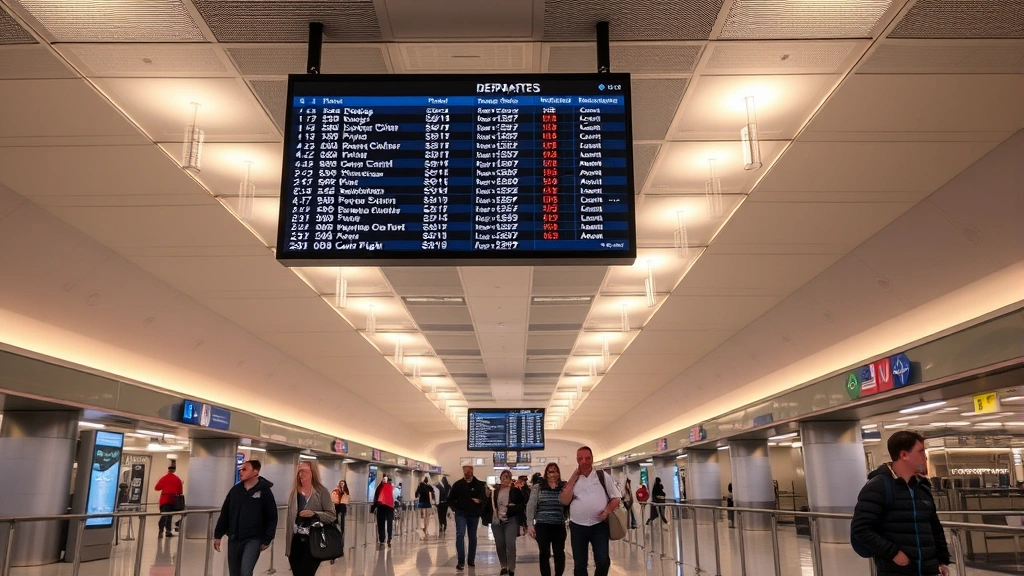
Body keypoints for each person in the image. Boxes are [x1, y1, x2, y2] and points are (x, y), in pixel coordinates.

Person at [851, 430, 951, 576]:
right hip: (896, 570)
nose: (925, 456)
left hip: (928, 568)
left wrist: (941, 560)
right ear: (904, 455)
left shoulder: (922, 486)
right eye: (921, 451)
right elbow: (861, 528)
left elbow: (934, 526)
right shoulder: (878, 486)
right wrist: (894, 554)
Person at [559, 446, 620, 576]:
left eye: (587, 458)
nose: (584, 461)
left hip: (599, 526)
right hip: (577, 526)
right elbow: (564, 500)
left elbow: (616, 498)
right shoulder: (573, 480)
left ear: (592, 459)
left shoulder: (602, 476)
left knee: (603, 560)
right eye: (580, 458)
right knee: (580, 565)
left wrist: (607, 511)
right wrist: (574, 476)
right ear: (577, 460)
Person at [213, 460, 278, 576]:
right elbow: (225, 513)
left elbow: (272, 516)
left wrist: (267, 538)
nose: (240, 472)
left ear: (255, 472)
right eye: (240, 469)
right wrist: (218, 535)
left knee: (246, 572)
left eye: (244, 469)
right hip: (234, 538)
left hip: (253, 539)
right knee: (234, 572)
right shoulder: (235, 491)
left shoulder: (265, 492)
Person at [285, 461, 336, 576]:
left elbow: (332, 515)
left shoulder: (322, 492)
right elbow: (290, 519)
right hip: (296, 541)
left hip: (313, 541)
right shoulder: (294, 493)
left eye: (305, 472)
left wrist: (314, 514)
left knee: (307, 572)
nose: (301, 475)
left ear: (313, 473)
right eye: (299, 472)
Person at [527, 462, 568, 576]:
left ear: (559, 473)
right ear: (546, 473)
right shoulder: (538, 487)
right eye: (550, 471)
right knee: (544, 553)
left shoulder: (564, 486)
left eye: (555, 471)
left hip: (558, 525)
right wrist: (530, 524)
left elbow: (569, 502)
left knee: (559, 553)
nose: (553, 474)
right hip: (542, 525)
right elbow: (531, 506)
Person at [448, 465, 487, 571]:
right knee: (460, 534)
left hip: (473, 514)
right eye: (465, 471)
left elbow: (484, 499)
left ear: (472, 471)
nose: (467, 473)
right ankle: (461, 561)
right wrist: (455, 508)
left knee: (472, 536)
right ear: (463, 472)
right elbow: (450, 499)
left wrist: (479, 501)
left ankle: (471, 559)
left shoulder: (479, 485)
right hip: (461, 513)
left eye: (469, 471)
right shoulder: (457, 485)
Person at [491, 470, 527, 576]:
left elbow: (522, 504)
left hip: (511, 519)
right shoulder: (495, 491)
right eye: (503, 476)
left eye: (507, 477)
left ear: (510, 479)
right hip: (496, 521)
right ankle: (503, 566)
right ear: (500, 478)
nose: (505, 478)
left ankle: (511, 567)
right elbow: (489, 504)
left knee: (510, 543)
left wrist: (514, 508)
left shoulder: (515, 491)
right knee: (500, 544)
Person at [154, 464, 183, 538]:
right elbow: (180, 492)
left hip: (164, 499)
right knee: (170, 516)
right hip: (173, 500)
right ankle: (168, 531)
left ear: (168, 470)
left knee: (164, 515)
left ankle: (160, 530)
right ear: (174, 470)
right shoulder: (177, 479)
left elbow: (157, 488)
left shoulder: (164, 478)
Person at [372, 475, 396, 547]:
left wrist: (374, 506)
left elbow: (376, 497)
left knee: (381, 522)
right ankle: (388, 537)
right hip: (389, 506)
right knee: (389, 521)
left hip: (381, 505)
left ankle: (383, 539)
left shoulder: (379, 487)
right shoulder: (390, 486)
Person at [330, 480, 350, 557]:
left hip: (342, 507)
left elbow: (346, 500)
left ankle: (341, 536)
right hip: (337, 507)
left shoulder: (345, 491)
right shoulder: (337, 491)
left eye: (343, 483)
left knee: (342, 523)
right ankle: (336, 535)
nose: (342, 484)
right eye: (341, 483)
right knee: (336, 521)